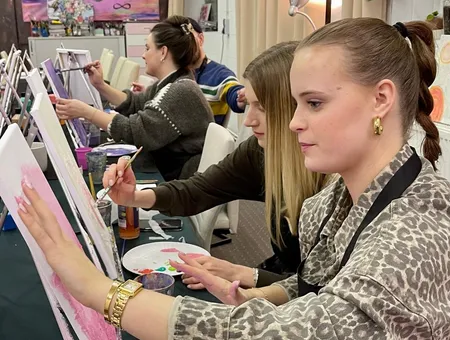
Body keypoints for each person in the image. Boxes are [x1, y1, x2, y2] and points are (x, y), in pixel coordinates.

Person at [18, 19, 450, 340]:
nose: (291, 122)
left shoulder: (414, 237)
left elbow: (286, 335)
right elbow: (322, 286)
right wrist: (257, 288)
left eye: (313, 104)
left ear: (381, 100)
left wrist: (100, 292)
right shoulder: (345, 195)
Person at [104, 41, 327, 288]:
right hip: (285, 282)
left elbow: (330, 295)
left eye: (261, 108)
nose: (248, 121)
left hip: (308, 302)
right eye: (249, 105)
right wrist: (133, 197)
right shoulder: (260, 152)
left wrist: (246, 275)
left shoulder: (334, 178)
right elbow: (198, 190)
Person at [55, 16, 214, 181]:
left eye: (147, 48)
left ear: (163, 52)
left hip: (182, 182)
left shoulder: (181, 90)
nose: (143, 55)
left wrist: (88, 112)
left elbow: (136, 131)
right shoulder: (173, 82)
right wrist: (100, 85)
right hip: (172, 170)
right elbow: (136, 103)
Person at [133, 17, 247, 126]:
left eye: (189, 40)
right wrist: (150, 95)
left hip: (197, 143)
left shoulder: (219, 74)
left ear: (200, 39)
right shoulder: (176, 73)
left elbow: (234, 94)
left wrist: (241, 96)